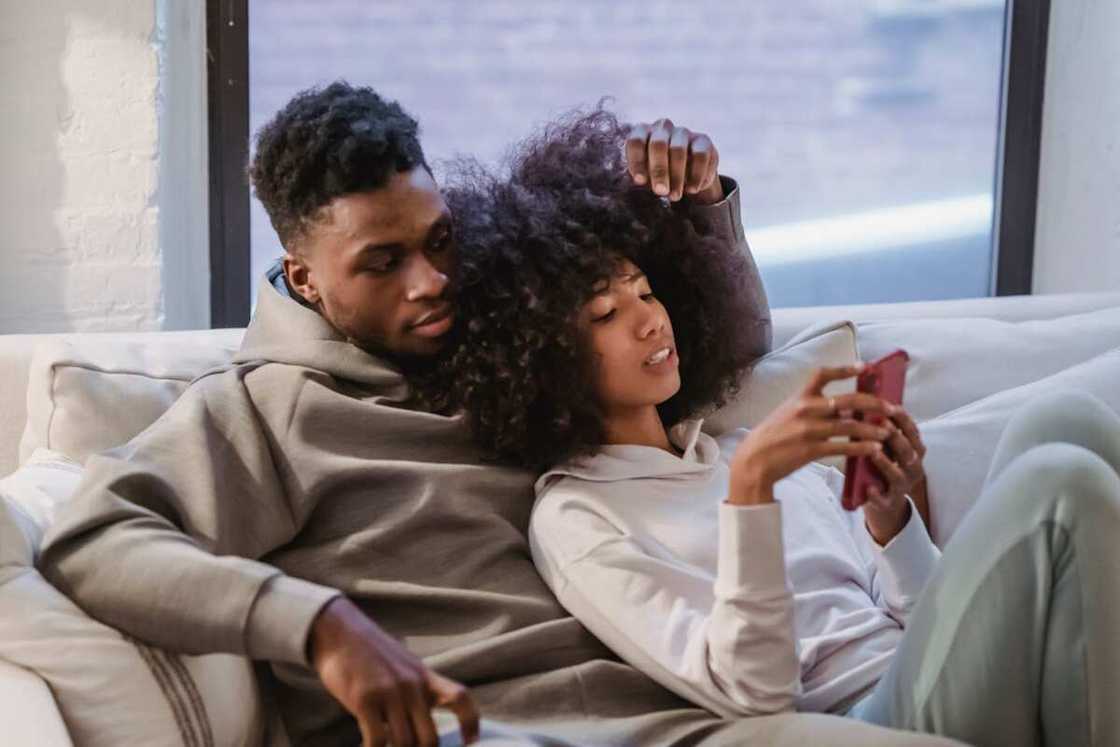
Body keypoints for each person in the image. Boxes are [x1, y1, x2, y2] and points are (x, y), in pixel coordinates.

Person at [37, 81, 935, 747]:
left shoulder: (498, 337)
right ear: (305, 276)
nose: (431, 283)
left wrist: (699, 205)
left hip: (689, 711)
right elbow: (91, 539)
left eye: (439, 240)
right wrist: (318, 623)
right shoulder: (260, 412)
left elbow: (710, 360)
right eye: (381, 263)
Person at [442, 107, 1120, 747]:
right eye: (605, 315)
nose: (650, 319)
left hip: (923, 669)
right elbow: (752, 692)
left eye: (646, 292)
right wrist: (751, 494)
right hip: (863, 719)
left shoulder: (733, 446)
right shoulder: (578, 515)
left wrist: (892, 518)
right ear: (540, 357)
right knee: (1058, 482)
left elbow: (913, 613)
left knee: (1066, 420)